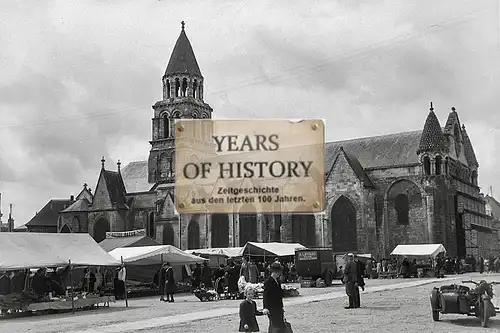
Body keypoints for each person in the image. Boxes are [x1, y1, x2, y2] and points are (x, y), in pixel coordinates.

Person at [263, 262, 285, 332]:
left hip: (278, 307)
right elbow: (266, 295)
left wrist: (281, 306)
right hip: (271, 308)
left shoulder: (278, 280)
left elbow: (279, 295)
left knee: (280, 325)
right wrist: (265, 307)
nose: (279, 273)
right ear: (274, 271)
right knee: (275, 326)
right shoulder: (268, 281)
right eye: (278, 272)